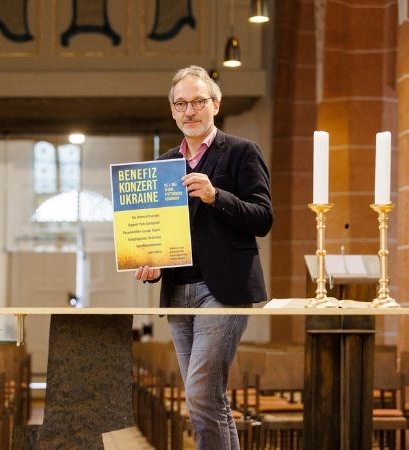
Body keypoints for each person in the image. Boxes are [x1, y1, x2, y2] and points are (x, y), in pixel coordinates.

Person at [135, 65, 273, 450]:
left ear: (215, 104)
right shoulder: (163, 163)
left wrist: (217, 197)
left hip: (224, 290)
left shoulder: (242, 153)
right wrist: (149, 263)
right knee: (210, 399)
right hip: (179, 290)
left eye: (198, 101)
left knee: (198, 393)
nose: (189, 111)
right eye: (181, 104)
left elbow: (263, 218)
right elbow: (157, 232)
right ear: (172, 110)